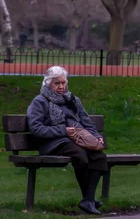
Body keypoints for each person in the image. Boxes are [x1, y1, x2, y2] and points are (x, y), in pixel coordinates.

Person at [27, 66, 107, 215]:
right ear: (48, 83)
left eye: (63, 83)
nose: (61, 87)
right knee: (80, 155)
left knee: (99, 157)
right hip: (53, 143)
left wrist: (96, 137)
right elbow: (36, 128)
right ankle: (89, 200)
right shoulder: (40, 101)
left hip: (77, 140)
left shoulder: (73, 100)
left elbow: (86, 122)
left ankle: (88, 200)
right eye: (57, 83)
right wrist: (63, 131)